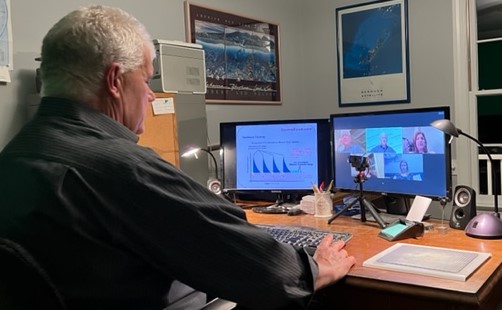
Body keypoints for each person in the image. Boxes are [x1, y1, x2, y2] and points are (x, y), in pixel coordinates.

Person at [0, 5, 355, 310]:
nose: (152, 96)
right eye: (147, 80)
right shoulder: (124, 170)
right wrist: (318, 266)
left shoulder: (13, 157)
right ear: (114, 81)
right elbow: (268, 274)